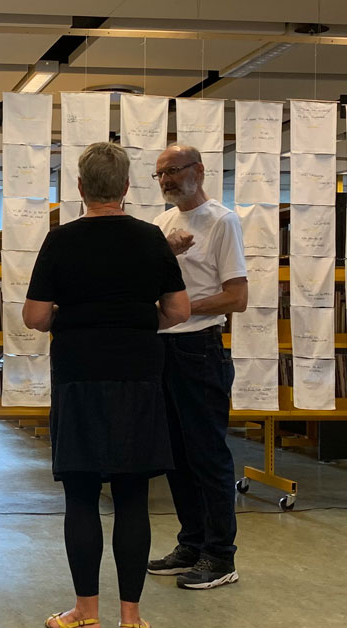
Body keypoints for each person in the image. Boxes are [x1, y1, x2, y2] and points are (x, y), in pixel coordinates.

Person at [23, 142, 190, 628]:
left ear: (79, 188)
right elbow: (179, 311)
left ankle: (85, 614)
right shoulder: (150, 239)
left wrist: (69, 318)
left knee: (80, 494)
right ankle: (132, 620)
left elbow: (35, 316)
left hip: (79, 377)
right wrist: (136, 320)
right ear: (126, 187)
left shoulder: (61, 240)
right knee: (132, 496)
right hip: (138, 376)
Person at [148, 144, 248, 590]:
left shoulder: (222, 221)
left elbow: (236, 297)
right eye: (160, 174)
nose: (167, 180)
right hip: (163, 349)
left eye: (173, 171)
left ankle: (220, 555)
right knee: (176, 456)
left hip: (200, 348)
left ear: (199, 171)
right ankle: (191, 543)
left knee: (207, 454)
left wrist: (182, 310)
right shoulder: (161, 224)